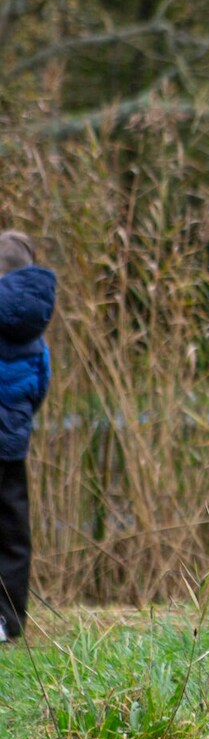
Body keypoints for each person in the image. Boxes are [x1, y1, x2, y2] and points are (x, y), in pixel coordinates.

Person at [0, 231, 56, 644]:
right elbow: (40, 385)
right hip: (12, 447)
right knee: (13, 533)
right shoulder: (34, 332)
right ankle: (7, 621)